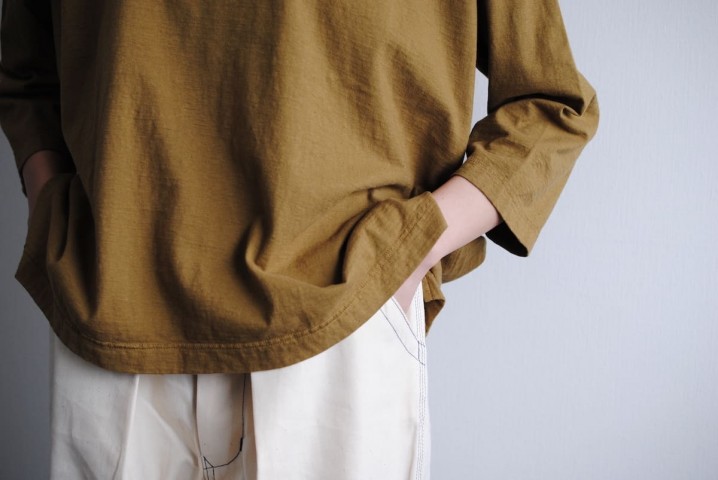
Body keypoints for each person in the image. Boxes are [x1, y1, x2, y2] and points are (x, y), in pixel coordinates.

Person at [0, 0, 599, 478]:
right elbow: (24, 71)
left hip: (340, 321)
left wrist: (407, 250)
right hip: (113, 314)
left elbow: (550, 104)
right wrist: (50, 208)